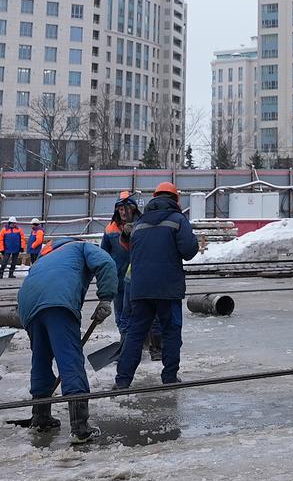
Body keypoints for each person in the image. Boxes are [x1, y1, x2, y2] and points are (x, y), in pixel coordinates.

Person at [14, 236, 117, 443]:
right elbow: (106, 262)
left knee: (41, 360)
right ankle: (80, 427)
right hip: (57, 301)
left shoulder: (46, 256)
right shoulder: (82, 246)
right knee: (70, 360)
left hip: (27, 305)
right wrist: (106, 298)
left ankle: (41, 416)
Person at [113, 182, 198, 389]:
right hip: (168, 288)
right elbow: (189, 250)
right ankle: (169, 377)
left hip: (140, 288)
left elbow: (128, 246)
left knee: (135, 332)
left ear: (154, 197)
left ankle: (122, 381)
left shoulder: (140, 222)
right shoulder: (178, 220)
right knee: (171, 331)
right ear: (175, 200)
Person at [100, 192, 140, 337]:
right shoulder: (111, 229)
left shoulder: (141, 225)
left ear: (133, 209)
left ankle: (139, 343)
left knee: (138, 313)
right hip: (118, 279)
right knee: (121, 315)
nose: (123, 212)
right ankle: (125, 342)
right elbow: (103, 253)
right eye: (121, 209)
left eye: (126, 209)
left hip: (138, 278)